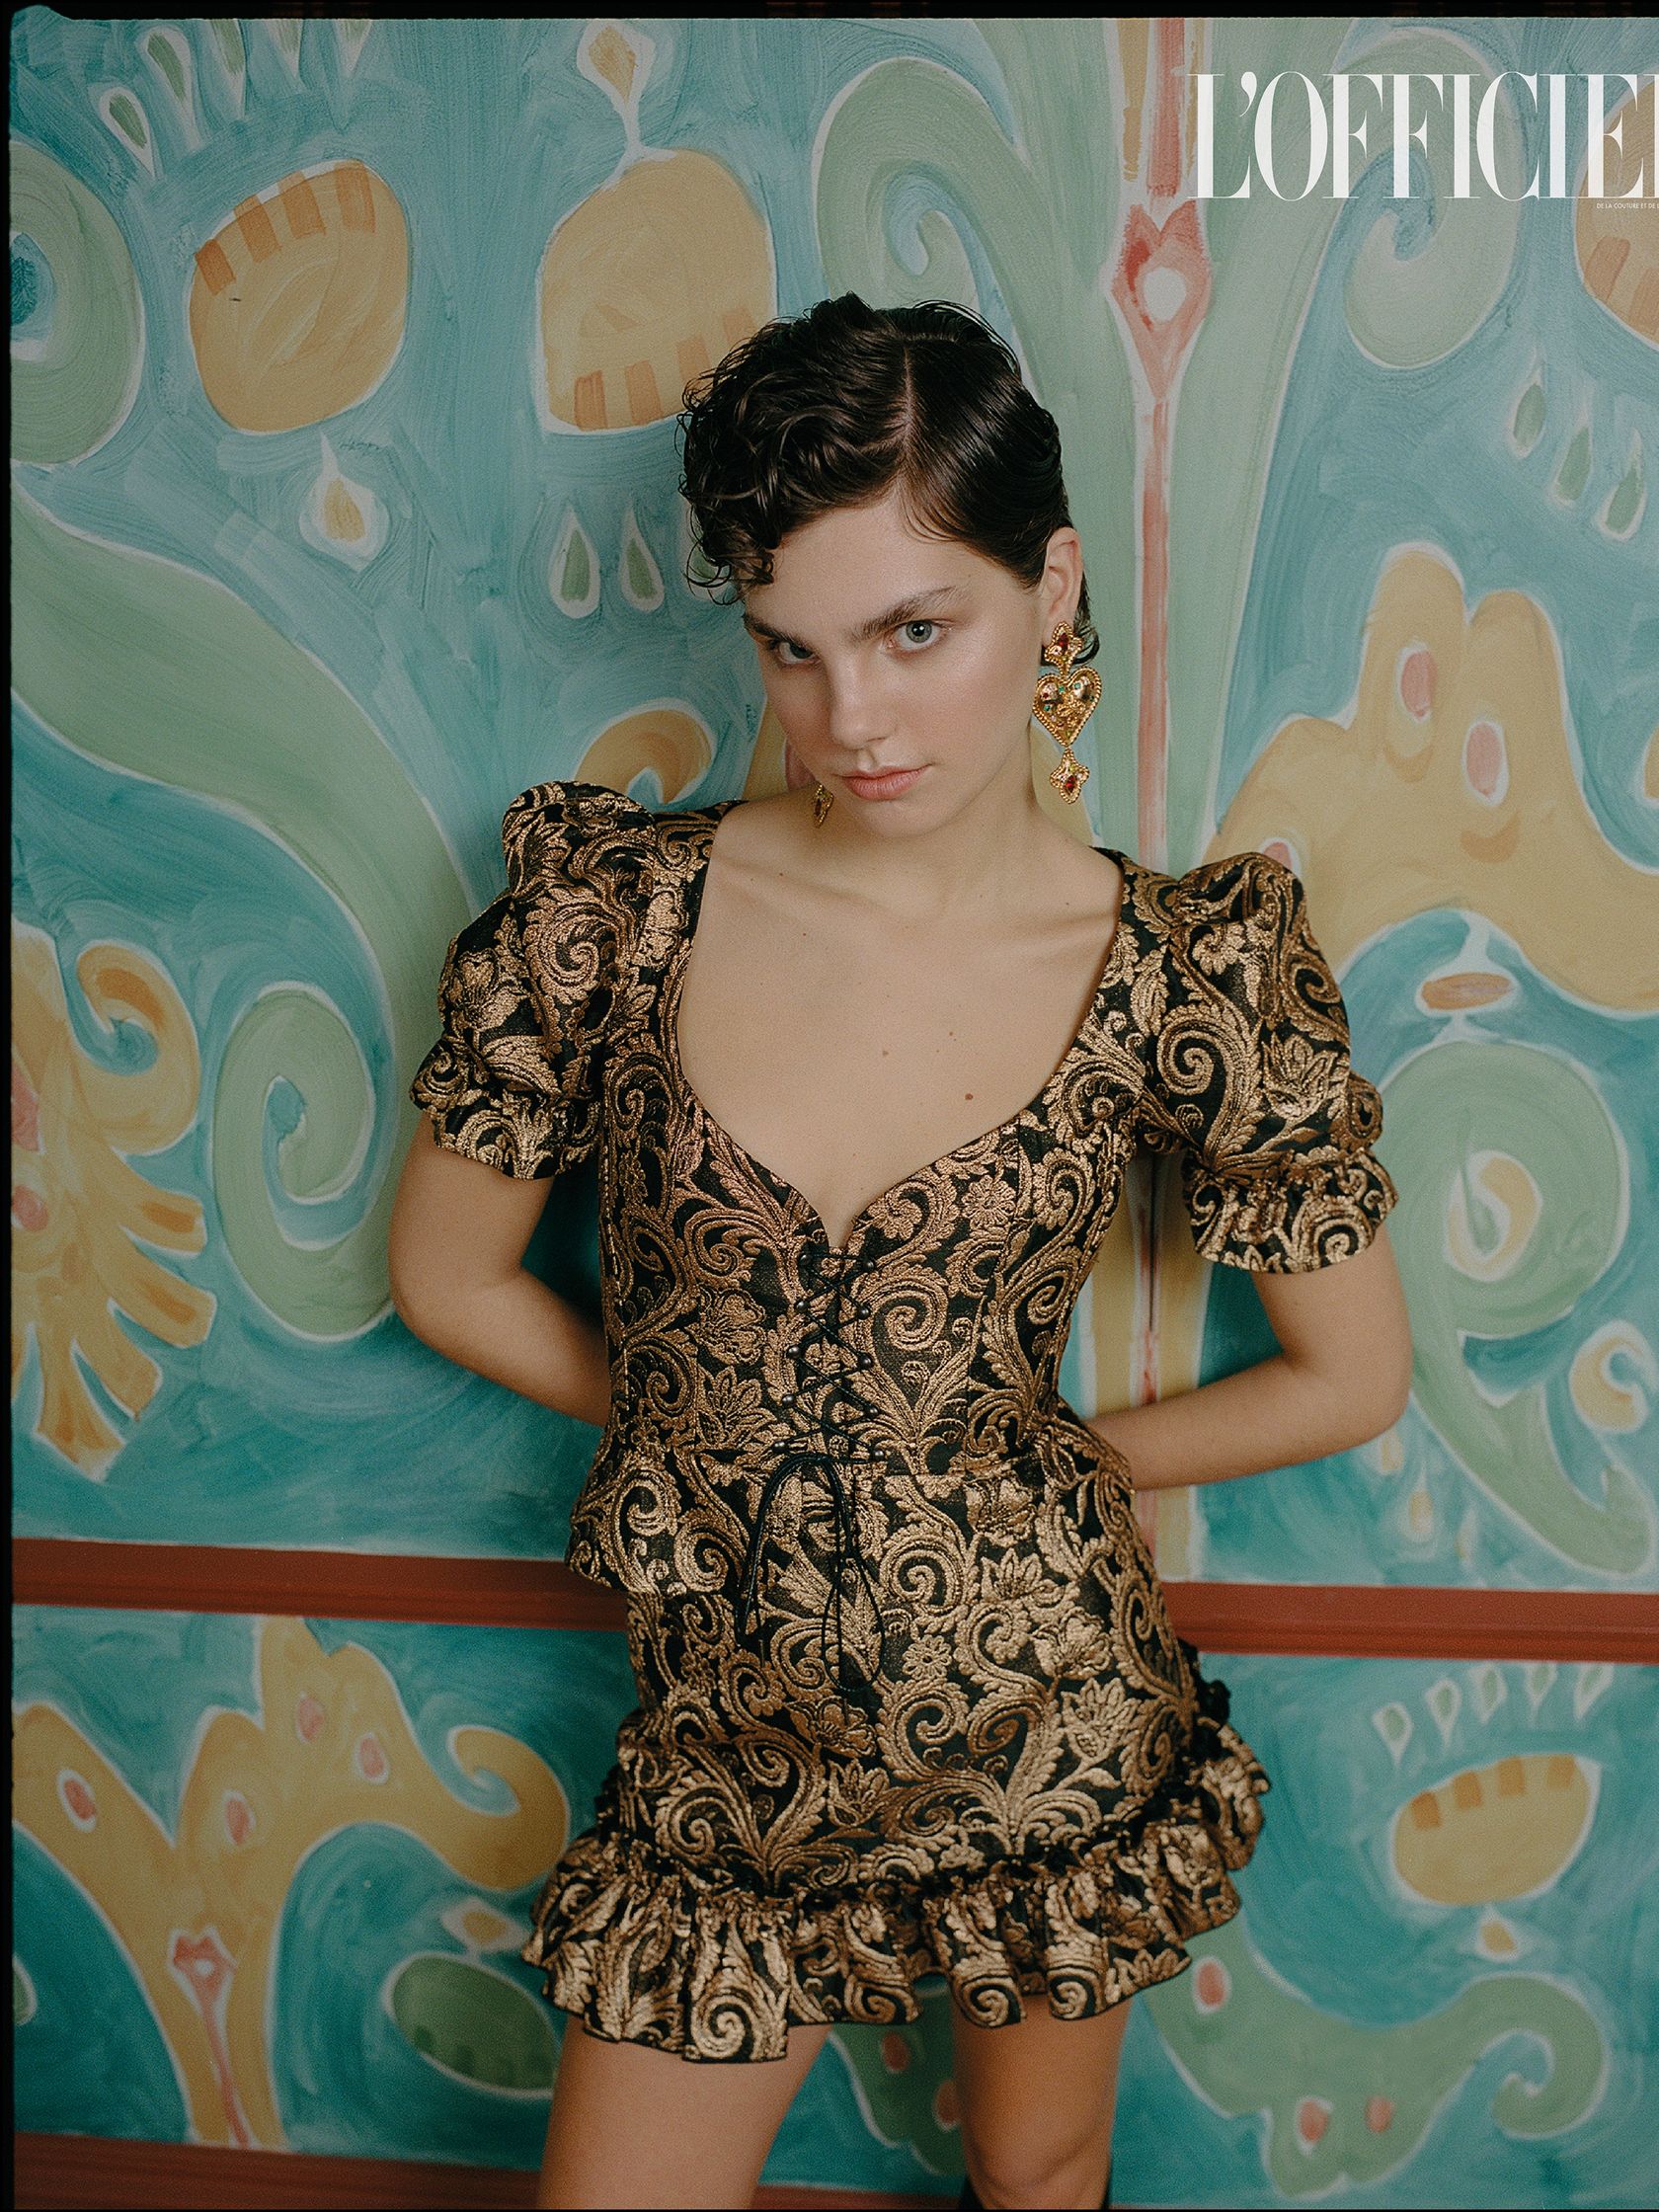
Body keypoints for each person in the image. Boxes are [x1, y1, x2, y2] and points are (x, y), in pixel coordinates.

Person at [387, 294, 1411, 2212]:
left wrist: (1054, 1464)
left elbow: (1350, 1375)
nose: (850, 719)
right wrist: (702, 1436)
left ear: (1051, 587)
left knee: (1037, 2180)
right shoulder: (619, 917)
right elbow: (447, 1274)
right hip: (720, 1740)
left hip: (1046, 1718)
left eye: (909, 632)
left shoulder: (1179, 966)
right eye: (790, 648)